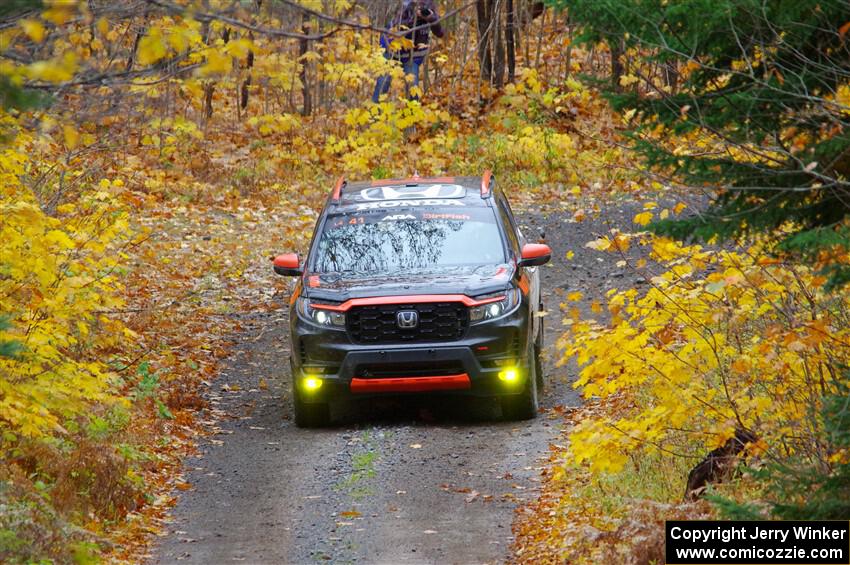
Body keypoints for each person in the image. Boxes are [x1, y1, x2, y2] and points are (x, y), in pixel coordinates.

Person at [372, 0, 444, 103]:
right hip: (391, 52)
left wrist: (430, 18)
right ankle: (374, 116)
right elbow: (397, 27)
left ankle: (412, 116)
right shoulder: (403, 5)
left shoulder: (429, 5)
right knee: (382, 84)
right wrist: (413, 15)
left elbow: (440, 33)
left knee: (413, 89)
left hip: (412, 57)